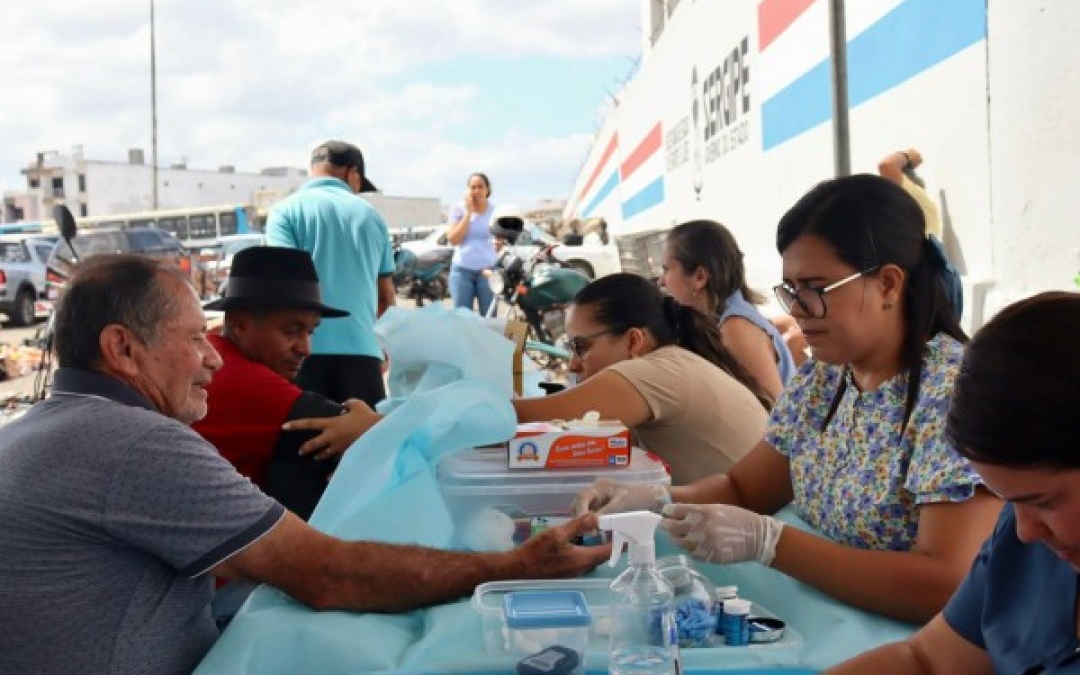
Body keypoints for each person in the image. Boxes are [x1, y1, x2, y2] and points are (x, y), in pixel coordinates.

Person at [0, 255, 609, 675]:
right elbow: (329, 575)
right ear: (121, 349)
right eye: (193, 341)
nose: (211, 360)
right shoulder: (132, 442)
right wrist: (519, 563)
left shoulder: (49, 427)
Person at [575, 175, 1003, 623]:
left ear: (889, 285)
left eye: (816, 289)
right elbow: (744, 488)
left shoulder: (951, 393)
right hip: (818, 620)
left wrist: (773, 543)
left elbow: (945, 584)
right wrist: (656, 499)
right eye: (791, 289)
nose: (796, 308)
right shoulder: (825, 378)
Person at [291, 273, 772, 486]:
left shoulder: (648, 373)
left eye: (581, 348)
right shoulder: (672, 365)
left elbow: (512, 422)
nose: (575, 365)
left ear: (633, 340)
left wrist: (380, 426)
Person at [824, 292, 1080, 674]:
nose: (1025, 531)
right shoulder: (1023, 544)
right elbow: (927, 660)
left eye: (1044, 502)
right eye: (1011, 501)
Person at [195, 245, 377, 520]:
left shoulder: (212, 350)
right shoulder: (251, 384)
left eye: (311, 332)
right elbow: (396, 436)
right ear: (239, 324)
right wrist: (373, 424)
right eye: (291, 331)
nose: (305, 348)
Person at [265, 140, 395, 407]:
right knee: (365, 444)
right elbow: (385, 297)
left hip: (301, 354)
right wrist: (385, 348)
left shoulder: (284, 212)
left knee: (304, 445)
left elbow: (284, 285)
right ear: (352, 174)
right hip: (363, 352)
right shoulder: (372, 217)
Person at [661, 219, 797, 400]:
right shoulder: (732, 318)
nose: (661, 281)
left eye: (666, 269)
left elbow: (773, 411)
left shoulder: (736, 328)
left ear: (700, 277)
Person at [878, 147, 963, 318]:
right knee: (941, 332)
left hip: (924, 274)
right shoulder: (922, 203)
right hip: (938, 272)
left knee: (930, 331)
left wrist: (909, 155)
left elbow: (886, 165)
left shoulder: (909, 194)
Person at [445, 172, 498, 313]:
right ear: (468, 190)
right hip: (462, 271)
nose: (477, 191)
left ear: (487, 190)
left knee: (489, 318)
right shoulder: (458, 209)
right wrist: (468, 214)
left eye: (480, 187)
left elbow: (502, 240)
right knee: (462, 320)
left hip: (488, 271)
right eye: (473, 187)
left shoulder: (496, 211)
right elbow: (453, 239)